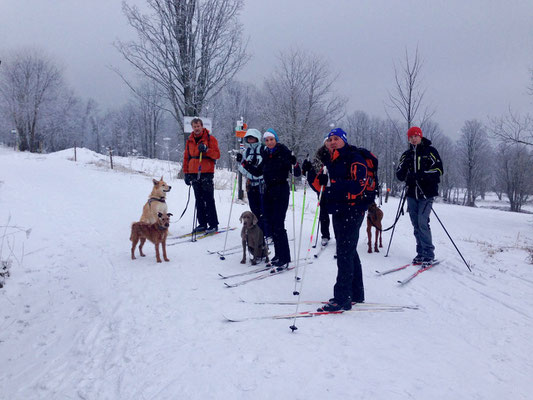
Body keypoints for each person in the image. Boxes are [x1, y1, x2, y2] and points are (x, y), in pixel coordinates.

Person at [307, 128, 377, 312]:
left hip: (353, 209)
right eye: (330, 139)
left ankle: (342, 298)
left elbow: (357, 186)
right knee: (349, 250)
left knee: (345, 253)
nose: (332, 142)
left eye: (336, 139)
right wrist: (313, 177)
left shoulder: (354, 157)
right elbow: (322, 188)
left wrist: (333, 184)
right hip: (339, 209)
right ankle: (356, 293)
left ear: (344, 140)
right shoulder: (332, 160)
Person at [240, 128, 300, 269]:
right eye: (266, 140)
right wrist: (244, 163)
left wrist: (294, 162)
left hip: (281, 190)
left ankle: (285, 257)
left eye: (271, 139)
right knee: (271, 224)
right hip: (268, 190)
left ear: (276, 140)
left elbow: (296, 173)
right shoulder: (266, 153)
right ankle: (278, 255)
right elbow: (258, 171)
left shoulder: (284, 152)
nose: (269, 142)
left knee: (279, 225)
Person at [396, 126, 443, 266]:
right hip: (411, 194)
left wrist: (420, 176)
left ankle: (428, 253)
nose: (414, 139)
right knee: (415, 224)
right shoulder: (407, 154)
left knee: (423, 222)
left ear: (421, 136)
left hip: (426, 193)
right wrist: (406, 173)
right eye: (411, 137)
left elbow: (439, 170)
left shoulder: (430, 151)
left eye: (416, 136)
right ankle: (420, 253)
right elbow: (399, 174)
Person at [183, 118, 221, 234]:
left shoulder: (210, 139)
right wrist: (186, 173)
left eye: (198, 126)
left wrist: (206, 150)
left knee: (208, 199)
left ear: (202, 126)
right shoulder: (189, 140)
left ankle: (213, 224)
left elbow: (217, 155)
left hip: (206, 172)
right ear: (192, 127)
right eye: (194, 126)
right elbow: (186, 157)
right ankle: (202, 223)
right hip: (193, 172)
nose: (196, 128)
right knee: (198, 199)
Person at [235, 128, 268, 238]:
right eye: (248, 138)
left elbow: (265, 167)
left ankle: (267, 232)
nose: (250, 140)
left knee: (264, 209)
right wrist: (243, 164)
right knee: (254, 210)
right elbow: (242, 168)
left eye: (252, 138)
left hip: (262, 184)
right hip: (251, 184)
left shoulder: (264, 149)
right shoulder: (247, 152)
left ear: (257, 138)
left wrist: (255, 170)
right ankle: (257, 232)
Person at [301, 134, 332, 246]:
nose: (330, 142)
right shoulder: (319, 155)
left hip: (337, 189)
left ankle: (341, 236)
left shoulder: (340, 154)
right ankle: (325, 235)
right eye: (328, 140)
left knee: (339, 214)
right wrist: (307, 169)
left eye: (332, 140)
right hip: (323, 189)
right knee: (323, 212)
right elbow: (313, 174)